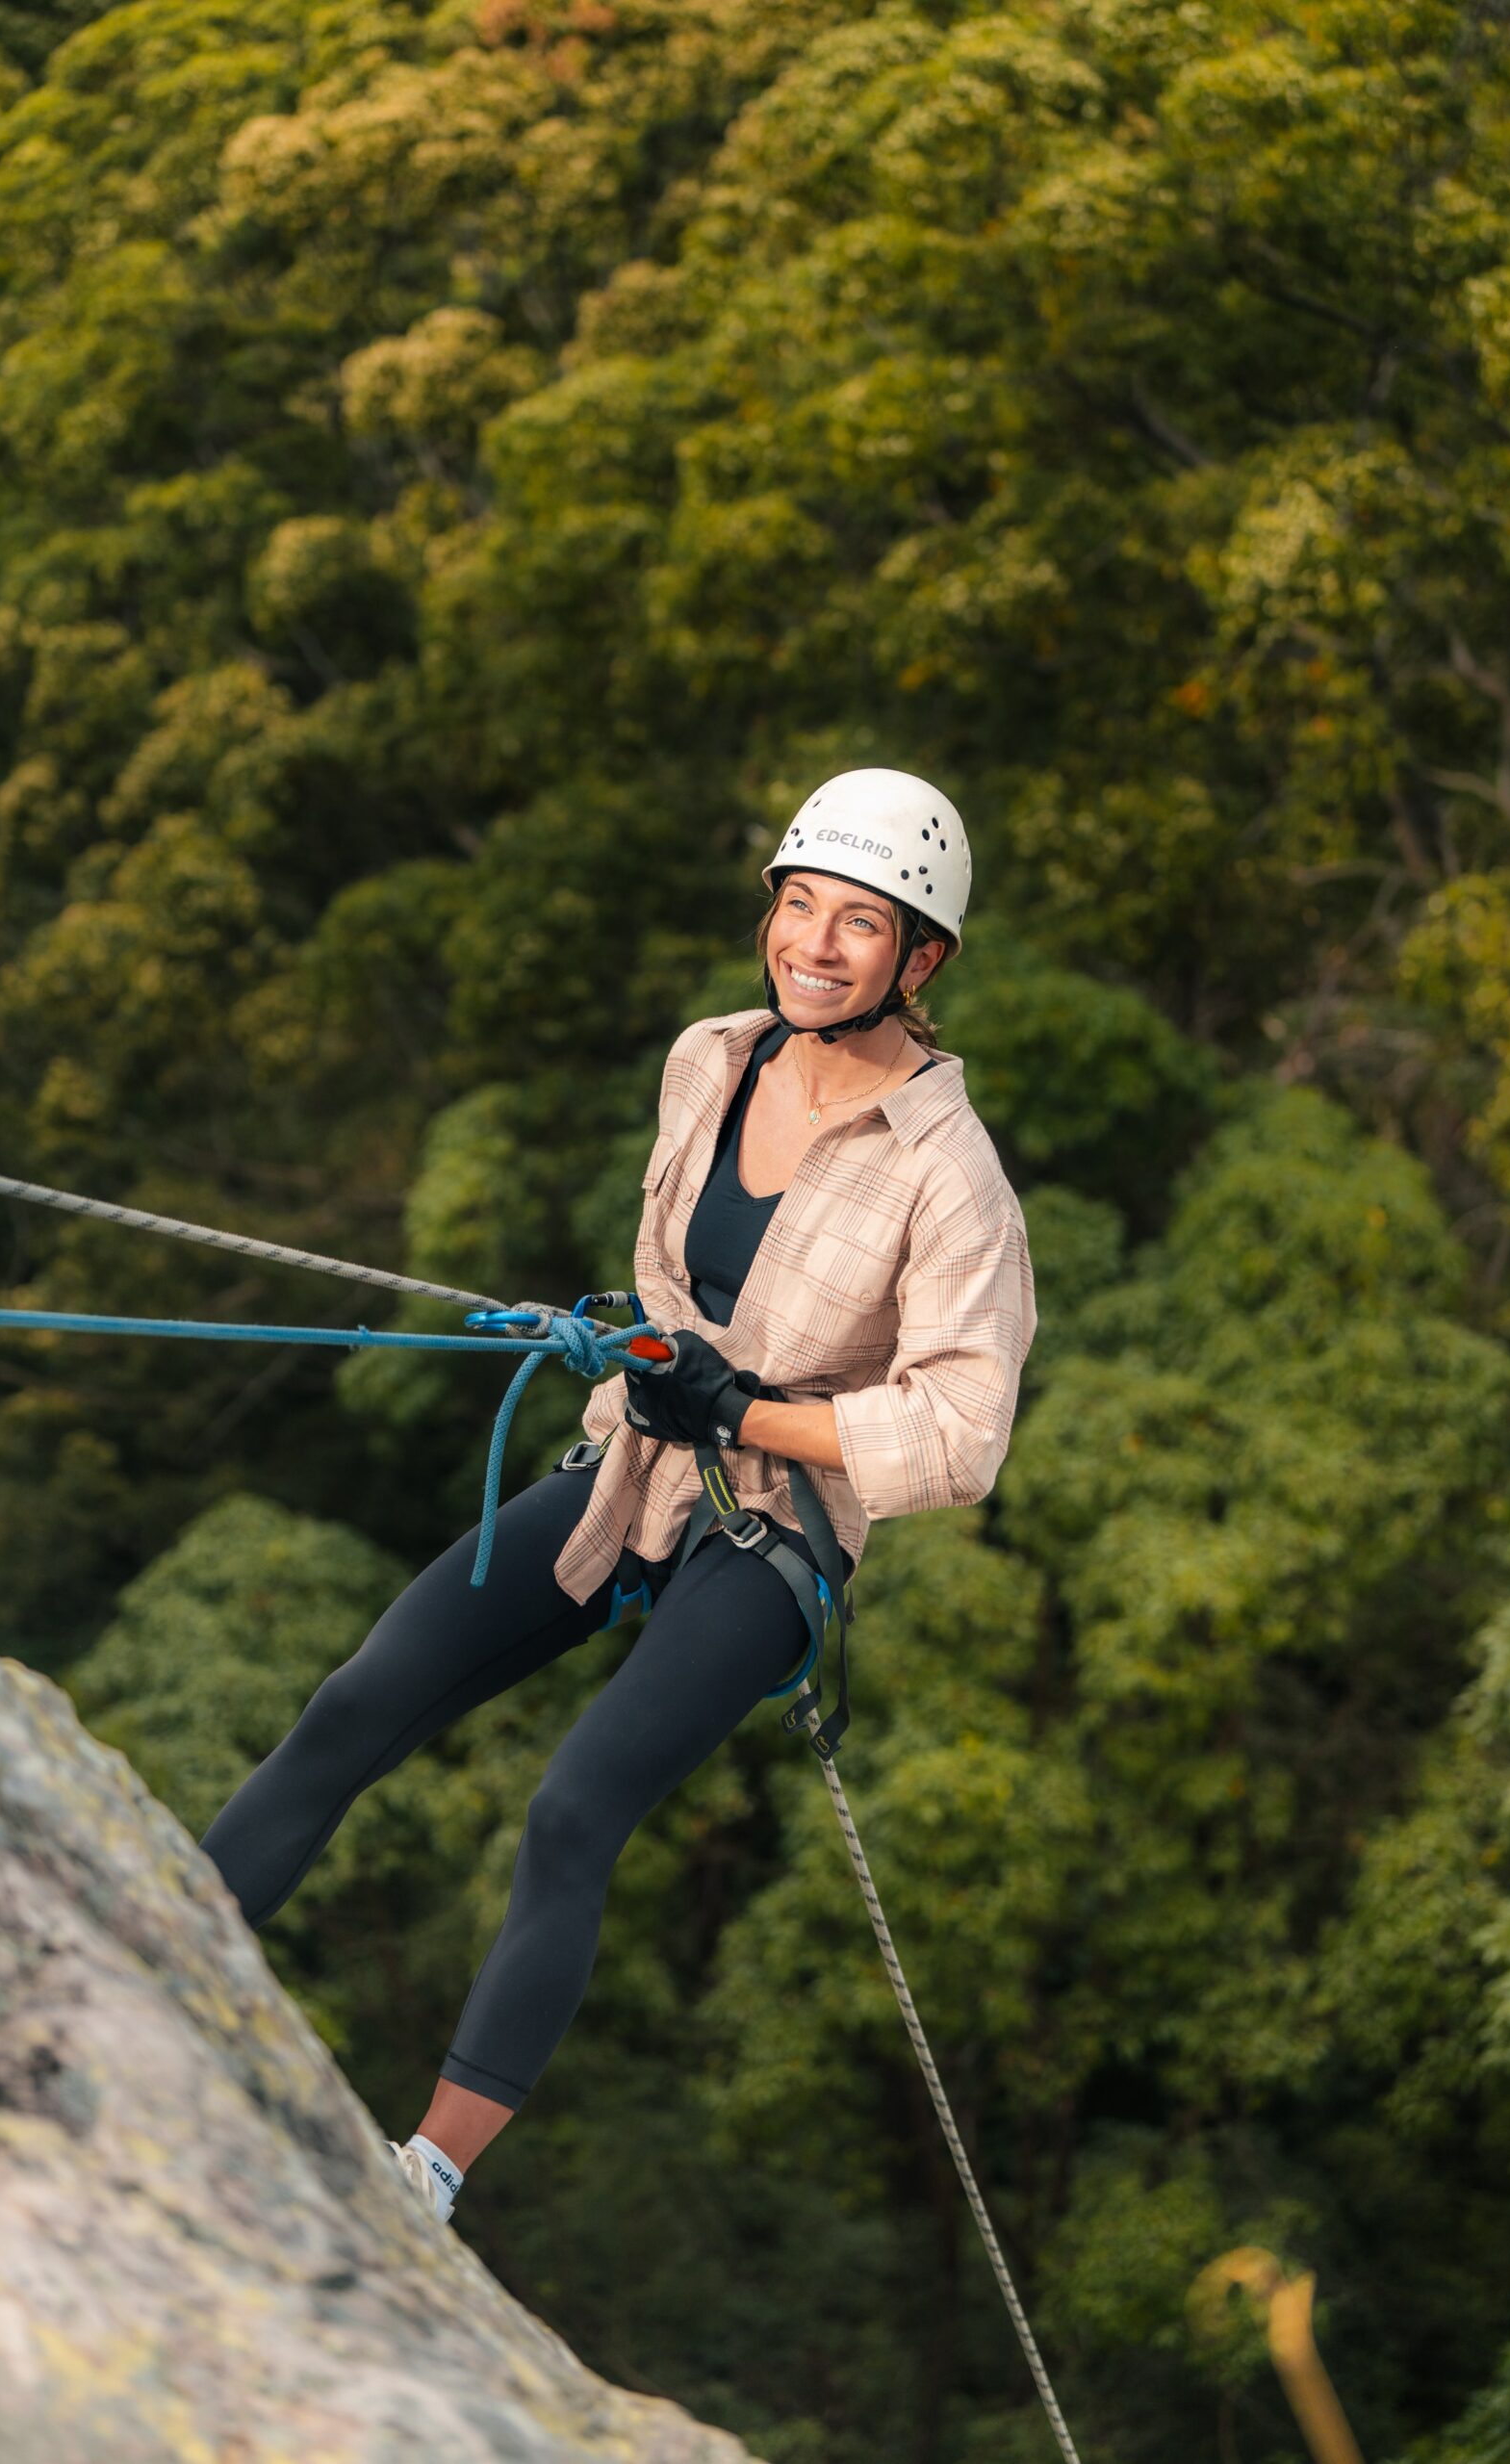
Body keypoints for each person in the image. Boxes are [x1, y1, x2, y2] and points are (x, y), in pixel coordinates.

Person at [198, 767, 1037, 2226]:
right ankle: (159, 1952)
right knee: (360, 1697)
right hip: (631, 1467)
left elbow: (963, 1433)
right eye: (798, 908)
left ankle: (431, 2172)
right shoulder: (712, 1059)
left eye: (859, 924)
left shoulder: (951, 1179)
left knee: (575, 1805)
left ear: (923, 961)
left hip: (771, 1538)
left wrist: (753, 1410)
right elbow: (678, 1278)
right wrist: (643, 1349)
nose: (816, 946)